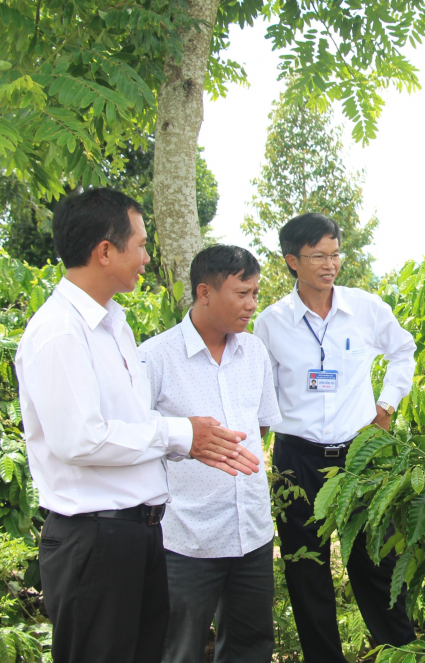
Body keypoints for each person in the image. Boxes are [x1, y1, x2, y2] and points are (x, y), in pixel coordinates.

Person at [16, 189, 260, 663]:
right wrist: (178, 434)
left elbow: (130, 423)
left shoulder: (114, 325)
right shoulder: (61, 332)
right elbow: (80, 439)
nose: (148, 257)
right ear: (105, 251)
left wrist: (190, 441)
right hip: (95, 540)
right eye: (142, 245)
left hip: (140, 533)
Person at [253, 212, 417, 663]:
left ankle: (400, 651)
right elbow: (262, 389)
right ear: (292, 260)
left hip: (360, 454)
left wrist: (386, 406)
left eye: (335, 254)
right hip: (296, 457)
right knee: (306, 567)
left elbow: (404, 350)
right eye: (317, 256)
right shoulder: (271, 322)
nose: (329, 265)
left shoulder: (365, 308)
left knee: (375, 560)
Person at [138, 245, 281, 663]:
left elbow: (262, 426)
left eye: (255, 293)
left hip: (251, 532)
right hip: (186, 539)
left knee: (250, 647)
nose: (252, 304)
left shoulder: (254, 353)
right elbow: (139, 437)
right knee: (179, 648)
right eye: (242, 294)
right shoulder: (155, 357)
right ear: (204, 292)